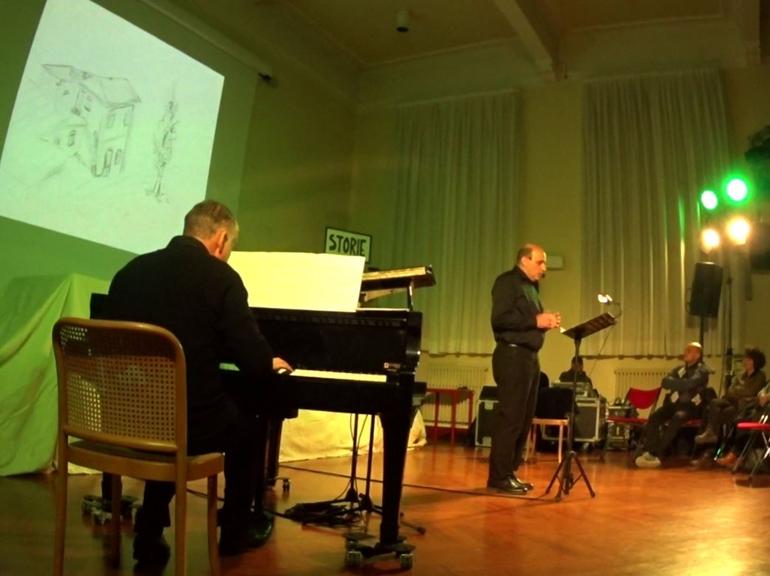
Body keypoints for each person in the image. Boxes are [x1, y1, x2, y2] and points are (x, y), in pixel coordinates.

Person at [105, 200, 292, 566]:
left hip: (129, 419)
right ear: (221, 239)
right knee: (248, 427)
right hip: (188, 424)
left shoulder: (129, 272)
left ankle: (149, 529)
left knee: (169, 410)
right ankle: (235, 531)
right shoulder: (222, 279)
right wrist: (267, 360)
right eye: (231, 245)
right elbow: (254, 363)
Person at [487, 244, 561, 494]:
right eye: (540, 262)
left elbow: (529, 322)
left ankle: (510, 472)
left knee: (524, 418)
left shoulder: (532, 287)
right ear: (524, 260)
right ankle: (499, 477)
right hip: (512, 355)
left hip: (529, 357)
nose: (544, 268)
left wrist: (545, 321)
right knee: (511, 417)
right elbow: (499, 319)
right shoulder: (506, 282)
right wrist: (535, 320)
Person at [635, 342, 710, 469]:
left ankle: (659, 453)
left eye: (688, 351)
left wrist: (677, 383)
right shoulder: (679, 369)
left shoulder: (702, 370)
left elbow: (692, 383)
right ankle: (650, 450)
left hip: (691, 407)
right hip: (674, 405)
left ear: (697, 355)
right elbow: (665, 382)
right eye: (685, 350)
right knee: (655, 416)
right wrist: (683, 384)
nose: (685, 353)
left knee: (677, 417)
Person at [694, 347, 767, 446]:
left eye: (747, 358)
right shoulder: (740, 375)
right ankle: (710, 433)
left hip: (745, 406)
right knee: (714, 403)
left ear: (753, 361)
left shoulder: (760, 376)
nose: (744, 360)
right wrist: (740, 391)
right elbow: (730, 390)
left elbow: (751, 391)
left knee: (721, 413)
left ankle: (716, 441)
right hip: (732, 401)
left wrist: (738, 390)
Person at [714, 375, 770, 468]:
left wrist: (768, 397)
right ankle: (736, 457)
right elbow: (761, 392)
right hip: (760, 414)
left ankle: (737, 458)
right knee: (741, 424)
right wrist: (762, 395)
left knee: (750, 429)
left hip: (766, 419)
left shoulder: (760, 376)